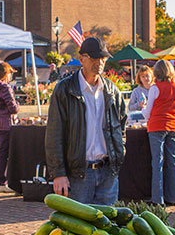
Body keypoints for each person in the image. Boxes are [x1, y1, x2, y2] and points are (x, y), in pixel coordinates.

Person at [46, 37, 128, 206]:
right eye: (94, 58)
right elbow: (54, 133)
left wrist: (118, 155)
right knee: (78, 228)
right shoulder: (65, 89)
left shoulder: (112, 90)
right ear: (81, 58)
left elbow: (121, 127)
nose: (99, 62)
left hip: (108, 172)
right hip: (78, 174)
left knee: (108, 228)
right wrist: (58, 173)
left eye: (103, 58)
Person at [142, 60, 175, 206]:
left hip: (157, 127)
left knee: (158, 162)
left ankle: (157, 198)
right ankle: (173, 197)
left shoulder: (155, 88)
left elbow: (147, 113)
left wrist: (142, 110)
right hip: (174, 126)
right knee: (173, 162)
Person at [0, 62, 20, 192]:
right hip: (5, 124)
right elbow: (13, 108)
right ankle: (0, 181)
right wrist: (17, 104)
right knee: (3, 153)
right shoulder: (5, 88)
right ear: (6, 74)